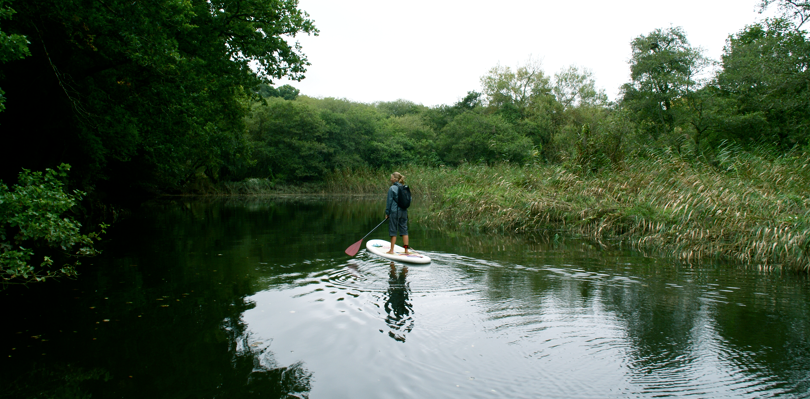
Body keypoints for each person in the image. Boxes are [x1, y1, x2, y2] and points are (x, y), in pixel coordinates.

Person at [384, 172, 412, 254]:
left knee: (393, 230)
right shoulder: (405, 188)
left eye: (392, 178)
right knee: (404, 230)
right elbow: (410, 200)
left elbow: (389, 202)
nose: (390, 179)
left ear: (395, 179)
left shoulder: (392, 188)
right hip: (404, 212)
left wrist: (387, 213)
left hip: (394, 212)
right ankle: (406, 250)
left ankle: (391, 250)